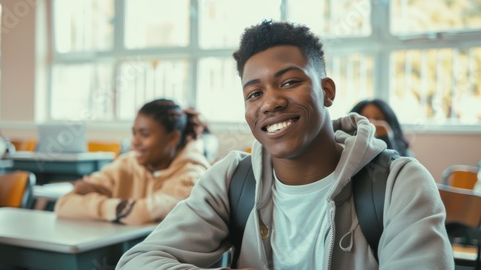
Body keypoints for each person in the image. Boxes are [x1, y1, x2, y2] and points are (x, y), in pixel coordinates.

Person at [117, 21, 453, 269]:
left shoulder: (398, 183)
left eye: (290, 82)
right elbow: (139, 262)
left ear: (327, 91)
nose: (270, 103)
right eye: (255, 93)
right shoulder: (232, 179)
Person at [55, 99, 211, 225]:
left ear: (172, 138)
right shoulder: (127, 163)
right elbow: (64, 204)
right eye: (134, 133)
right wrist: (122, 210)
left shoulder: (193, 176)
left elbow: (144, 215)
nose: (135, 142)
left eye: (144, 134)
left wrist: (104, 204)